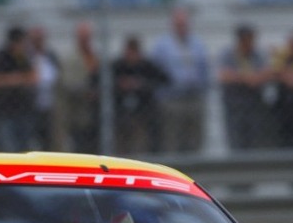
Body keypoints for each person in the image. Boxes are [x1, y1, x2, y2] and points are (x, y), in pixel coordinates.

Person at [151, 8, 209, 153]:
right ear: (172, 25)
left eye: (184, 24)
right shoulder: (162, 46)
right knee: (172, 138)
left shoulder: (197, 44)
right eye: (178, 24)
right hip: (172, 99)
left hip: (193, 97)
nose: (182, 27)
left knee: (195, 138)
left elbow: (204, 69)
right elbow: (156, 71)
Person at [112, 36, 168, 156]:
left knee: (141, 144)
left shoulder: (146, 66)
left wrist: (140, 84)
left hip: (143, 114)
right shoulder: (118, 66)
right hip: (122, 114)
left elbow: (164, 79)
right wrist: (121, 85)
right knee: (122, 143)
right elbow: (104, 81)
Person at [219, 24, 269, 151]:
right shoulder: (229, 55)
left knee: (255, 140)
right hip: (235, 105)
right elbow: (224, 75)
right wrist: (245, 77)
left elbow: (264, 74)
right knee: (236, 140)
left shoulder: (257, 55)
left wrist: (251, 78)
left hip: (254, 105)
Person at [0, 26, 37, 152]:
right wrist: (11, 80)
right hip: (4, 111)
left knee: (25, 148)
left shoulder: (24, 58)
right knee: (8, 148)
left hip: (23, 110)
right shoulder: (1, 57)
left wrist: (19, 79)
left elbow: (34, 77)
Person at [59, 21, 99, 154]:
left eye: (88, 37)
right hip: (78, 112)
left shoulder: (96, 57)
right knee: (79, 144)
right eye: (83, 37)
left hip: (96, 111)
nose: (85, 41)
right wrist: (85, 91)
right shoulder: (71, 59)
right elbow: (69, 83)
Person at [29, 26, 60, 150]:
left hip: (49, 106)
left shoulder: (50, 56)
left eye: (40, 39)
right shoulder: (27, 57)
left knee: (49, 139)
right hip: (31, 107)